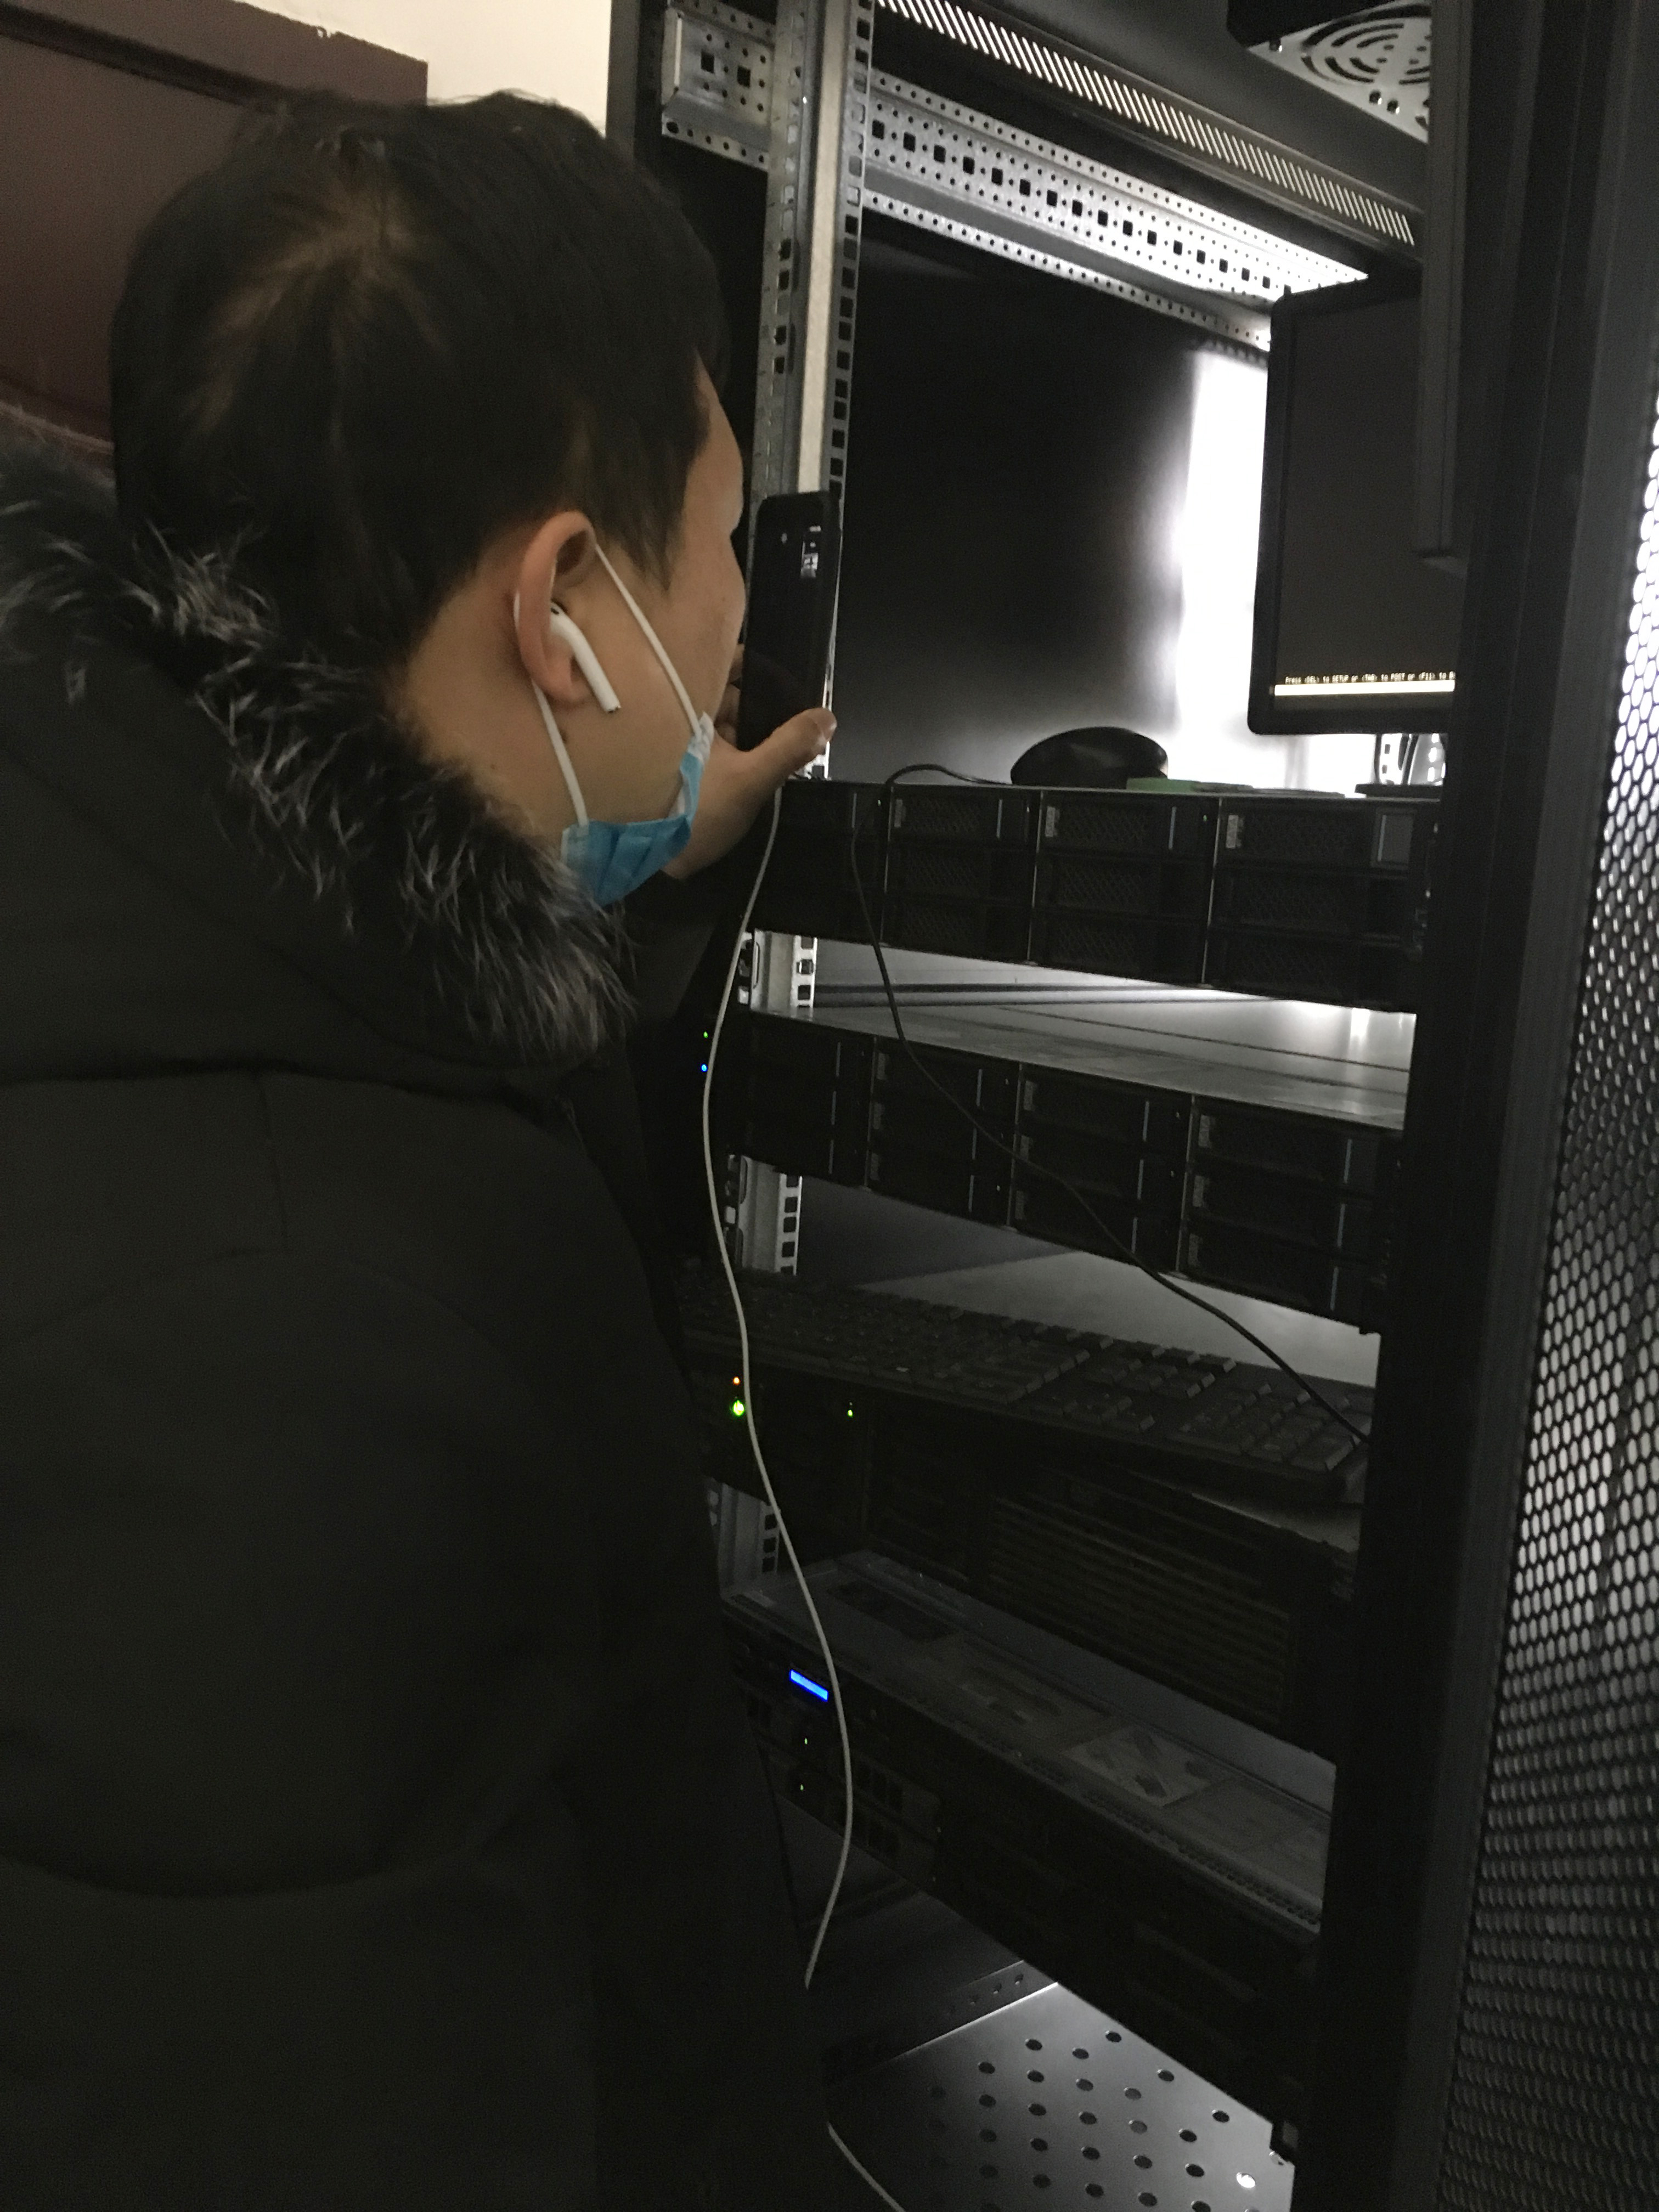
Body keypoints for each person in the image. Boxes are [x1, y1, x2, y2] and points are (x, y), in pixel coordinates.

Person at [0, 92, 842, 2210]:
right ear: (565, 607)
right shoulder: (287, 1350)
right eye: (722, 541)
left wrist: (635, 853)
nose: (739, 618)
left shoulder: (162, 918)